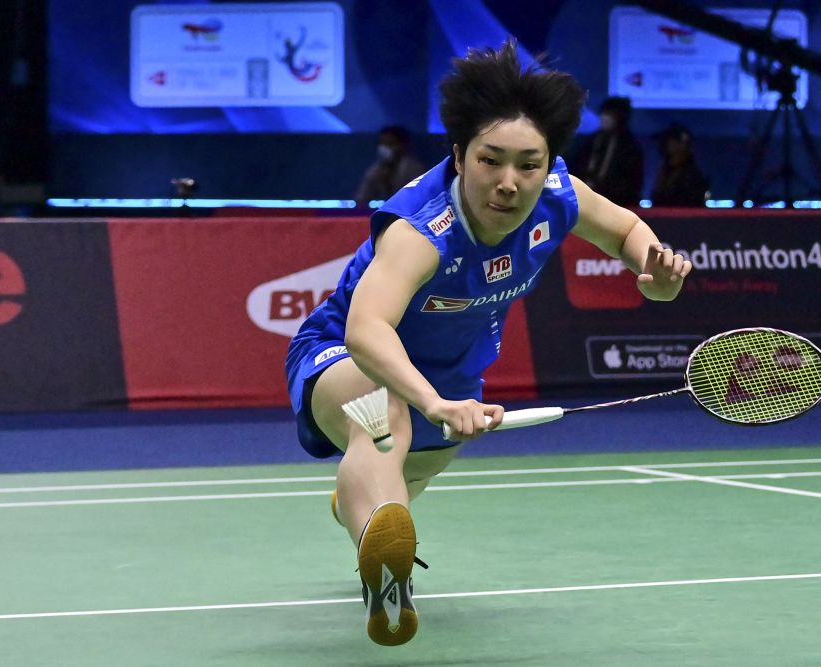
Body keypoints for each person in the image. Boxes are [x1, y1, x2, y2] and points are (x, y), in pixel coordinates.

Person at [285, 40, 691, 647]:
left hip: (452, 378)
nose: (509, 182)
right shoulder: (422, 230)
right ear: (459, 155)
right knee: (383, 414)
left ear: (548, 163)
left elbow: (626, 229)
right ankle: (390, 583)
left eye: (528, 164)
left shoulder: (559, 193)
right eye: (490, 160)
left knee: (384, 489)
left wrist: (654, 272)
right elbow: (366, 329)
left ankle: (365, 517)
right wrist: (433, 403)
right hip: (345, 360)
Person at [570, 96, 644, 206]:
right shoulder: (591, 142)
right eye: (603, 113)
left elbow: (632, 181)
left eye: (610, 114)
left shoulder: (629, 147)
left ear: (620, 117)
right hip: (585, 200)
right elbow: (577, 167)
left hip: (618, 204)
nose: (604, 117)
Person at [353, 125, 427, 204]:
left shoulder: (414, 168)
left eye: (390, 143)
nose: (384, 148)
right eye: (382, 143)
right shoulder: (376, 169)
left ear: (402, 145)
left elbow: (420, 198)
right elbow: (361, 198)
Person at [649, 122, 710, 207]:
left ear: (682, 144)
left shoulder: (691, 177)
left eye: (667, 141)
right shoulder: (666, 172)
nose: (663, 146)